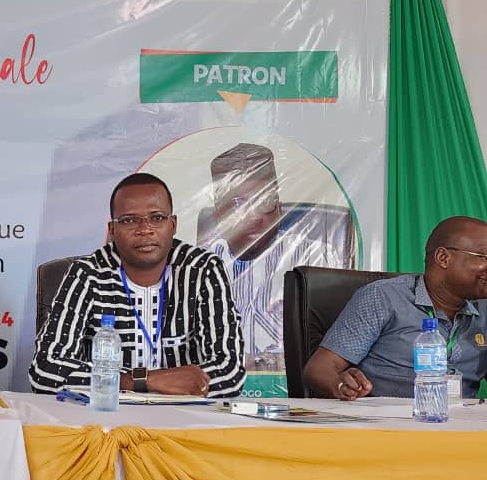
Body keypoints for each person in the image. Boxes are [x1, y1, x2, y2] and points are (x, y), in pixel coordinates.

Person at [29, 172, 245, 397]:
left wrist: (113, 379)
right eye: (130, 220)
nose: (145, 229)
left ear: (173, 225)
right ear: (112, 231)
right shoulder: (87, 274)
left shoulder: (203, 270)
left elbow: (230, 372)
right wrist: (139, 381)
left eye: (157, 218)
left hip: (186, 415)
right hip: (108, 414)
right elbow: (45, 371)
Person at [197, 143, 356, 372]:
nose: (254, 216)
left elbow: (336, 347)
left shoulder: (315, 258)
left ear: (279, 207)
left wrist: (261, 363)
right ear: (219, 213)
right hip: (217, 387)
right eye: (239, 205)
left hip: (293, 388)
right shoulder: (198, 267)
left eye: (264, 201)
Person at [304, 216, 487, 400]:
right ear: (443, 258)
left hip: (463, 417)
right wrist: (341, 385)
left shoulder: (483, 309)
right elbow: (319, 370)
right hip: (386, 416)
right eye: (484, 257)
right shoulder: (383, 297)